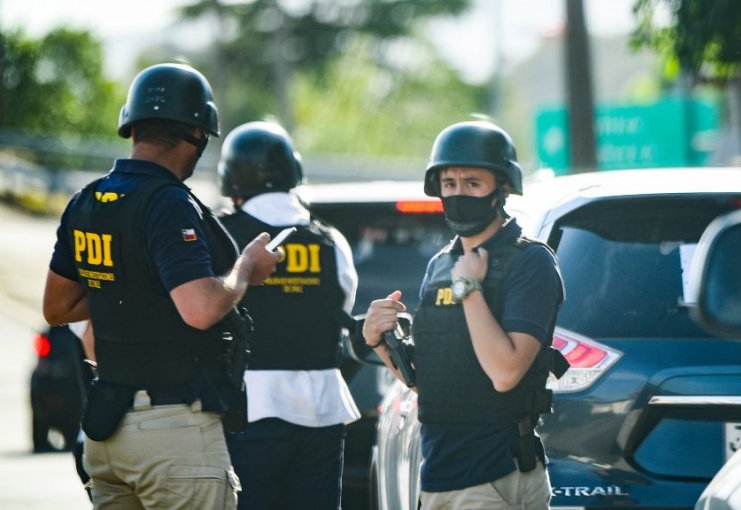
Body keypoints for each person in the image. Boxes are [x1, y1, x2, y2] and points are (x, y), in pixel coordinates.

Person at [42, 62, 282, 509]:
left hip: (107, 435)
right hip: (173, 434)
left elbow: (56, 308)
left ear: (132, 128)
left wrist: (125, 293)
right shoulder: (169, 203)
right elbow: (200, 309)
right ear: (194, 136)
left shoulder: (88, 201)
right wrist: (247, 267)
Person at [363, 120, 565, 510]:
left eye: (473, 183)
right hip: (437, 476)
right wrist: (380, 341)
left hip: (495, 478)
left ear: (503, 187)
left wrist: (470, 291)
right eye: (449, 184)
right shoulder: (442, 264)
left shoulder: (531, 263)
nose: (458, 194)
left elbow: (506, 373)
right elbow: (434, 385)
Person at [217, 121, 361, 510]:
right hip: (323, 411)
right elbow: (341, 309)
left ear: (231, 180)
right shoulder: (330, 240)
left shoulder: (220, 233)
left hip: (248, 410)